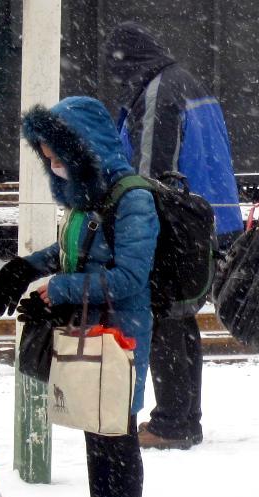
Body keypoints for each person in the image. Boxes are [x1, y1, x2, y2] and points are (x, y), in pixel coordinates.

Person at [0, 96, 158, 497]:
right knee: (94, 435)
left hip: (121, 338)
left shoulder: (132, 199)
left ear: (84, 148)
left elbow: (129, 277)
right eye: (46, 154)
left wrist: (55, 289)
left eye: (57, 152)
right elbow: (71, 251)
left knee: (117, 440)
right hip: (90, 332)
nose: (53, 163)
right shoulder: (86, 199)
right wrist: (27, 267)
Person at [104, 22, 244, 451]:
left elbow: (148, 175)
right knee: (180, 319)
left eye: (118, 70)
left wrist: (129, 224)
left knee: (162, 317)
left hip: (175, 223)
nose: (118, 80)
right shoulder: (185, 81)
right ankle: (185, 417)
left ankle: (171, 422)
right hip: (207, 216)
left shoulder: (156, 93)